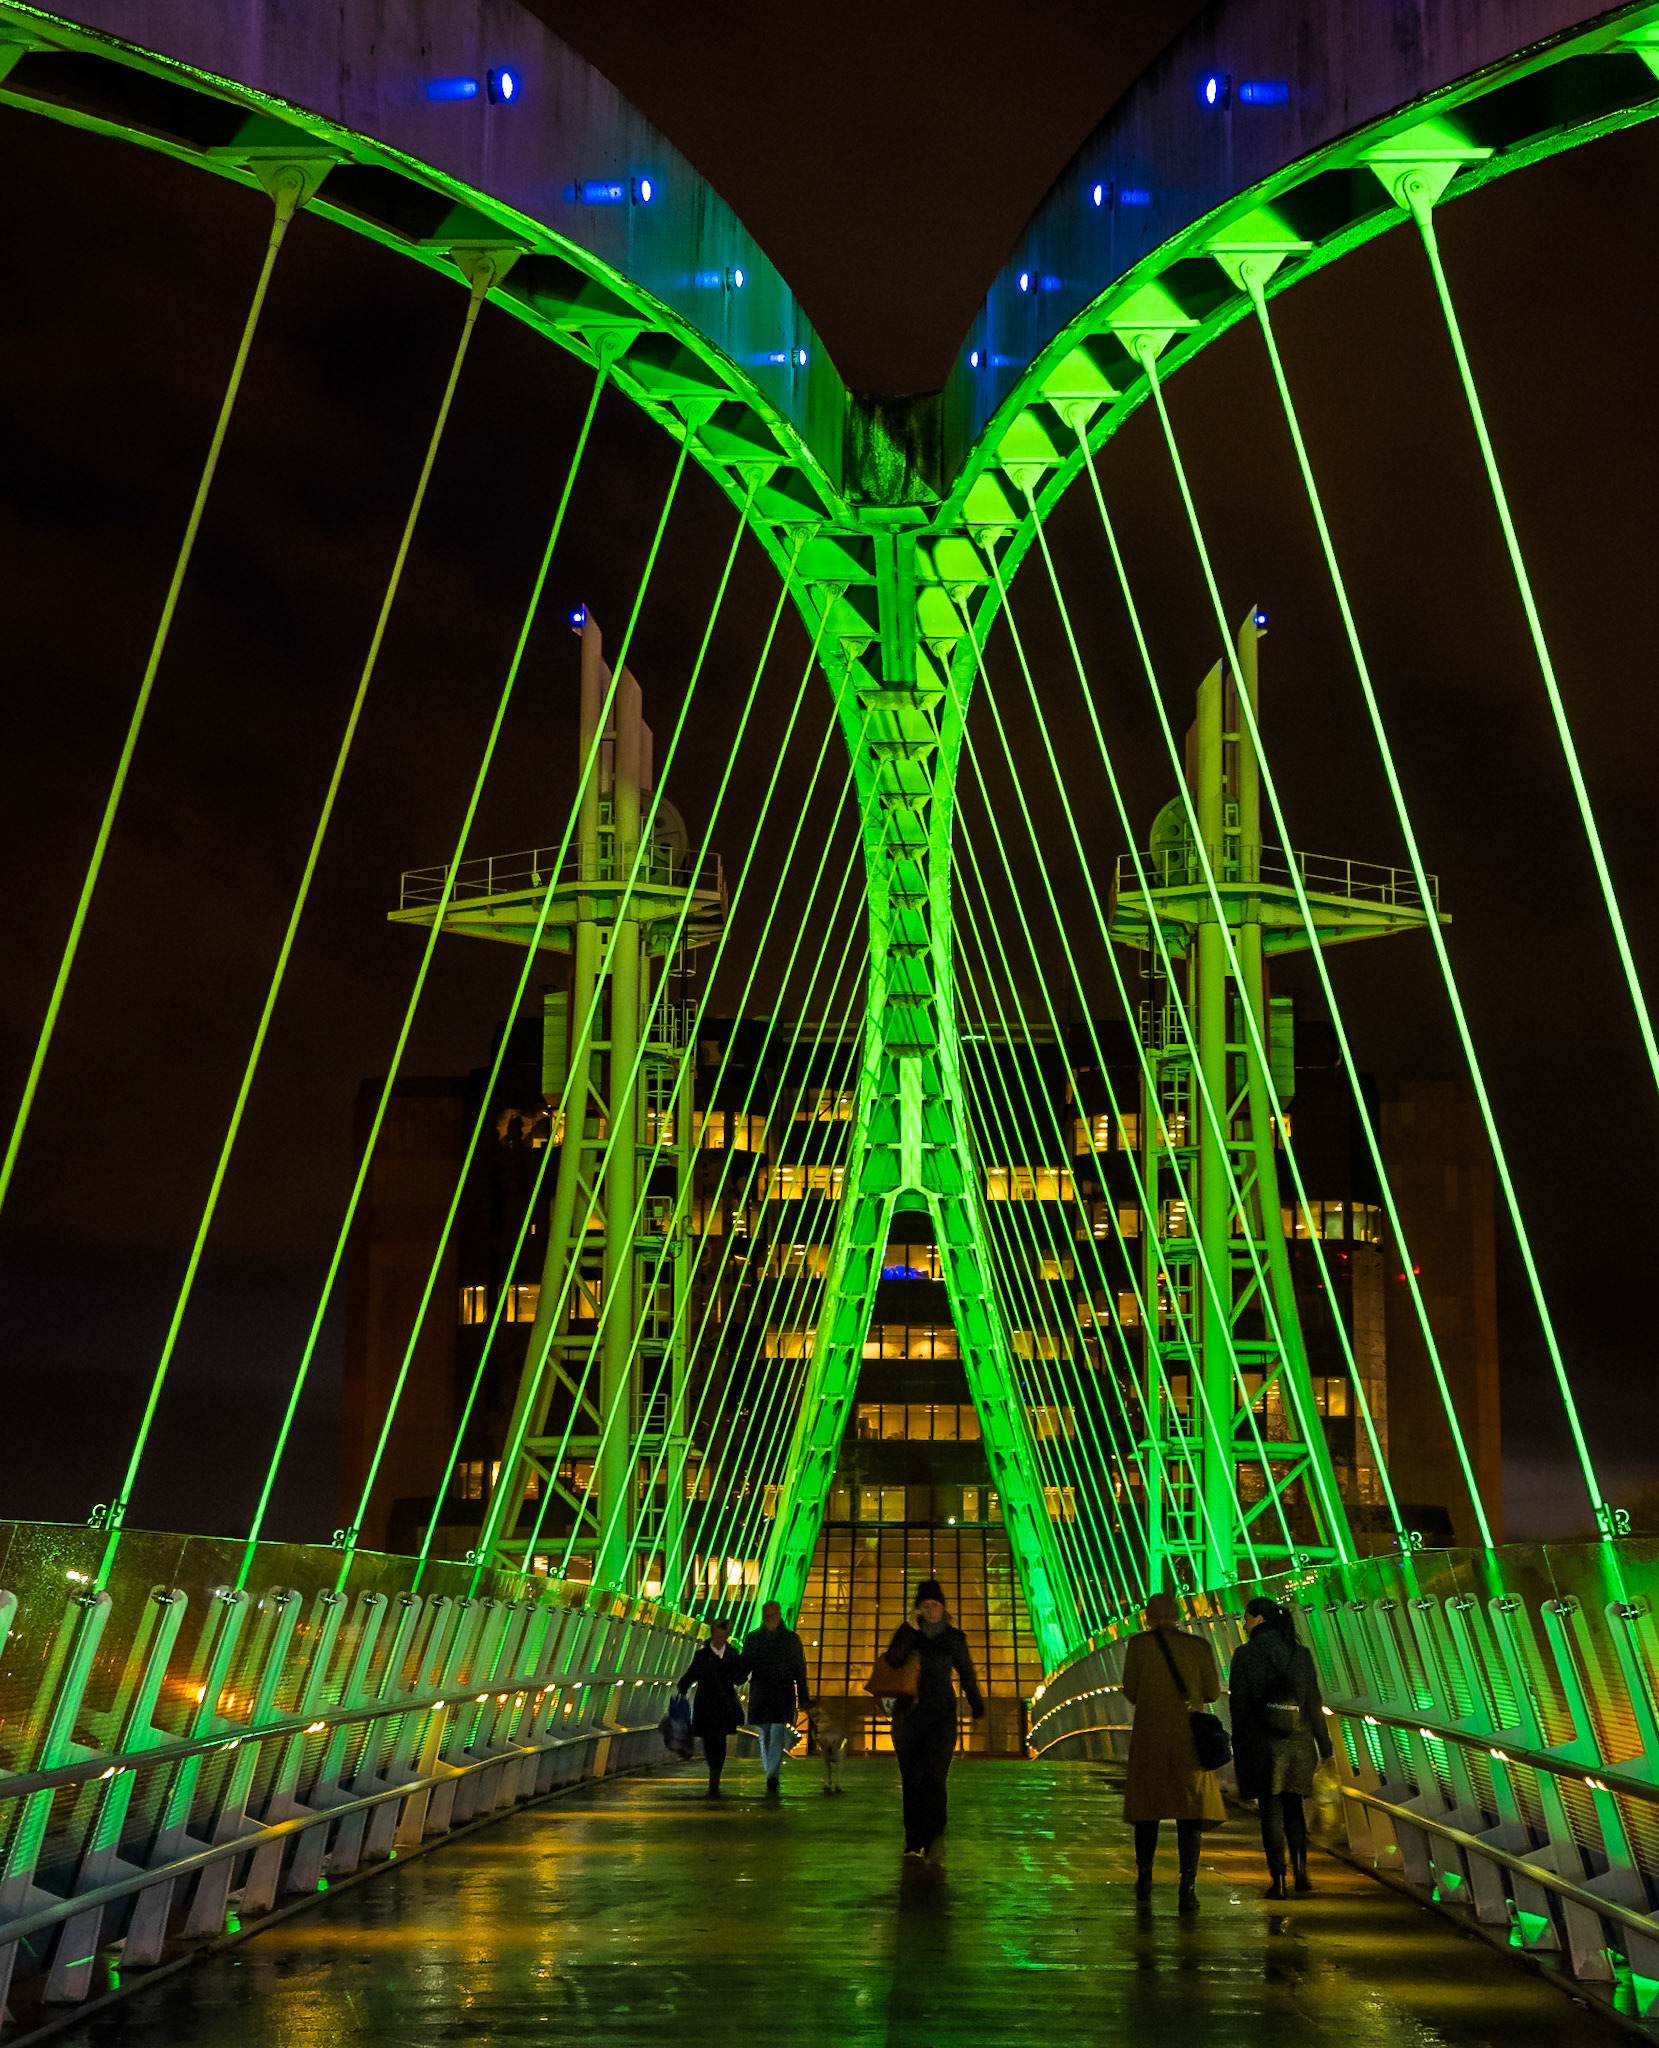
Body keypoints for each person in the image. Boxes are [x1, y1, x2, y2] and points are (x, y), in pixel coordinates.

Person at [1121, 1590, 1225, 1912]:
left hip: (1150, 1736)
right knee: (1190, 1812)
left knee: (1147, 1810)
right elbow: (1211, 1691)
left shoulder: (1138, 1646)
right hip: (1188, 1739)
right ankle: (1188, 1886)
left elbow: (1130, 1691)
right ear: (1179, 1616)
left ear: (1147, 1618)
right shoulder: (1198, 1647)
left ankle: (1145, 1877)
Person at [1229, 1595, 1333, 1897]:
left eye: (1246, 1618)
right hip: (1299, 1742)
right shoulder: (1300, 1654)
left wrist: (1240, 1745)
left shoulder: (1245, 1656)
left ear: (1259, 1619)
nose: (1244, 1624)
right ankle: (1302, 1875)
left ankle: (1279, 1881)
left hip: (1263, 1744)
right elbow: (1314, 1703)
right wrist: (1325, 1748)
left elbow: (1239, 1705)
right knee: (1294, 1809)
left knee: (1271, 1812)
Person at [884, 1577, 984, 1861]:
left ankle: (935, 1832)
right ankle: (913, 1839)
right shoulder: (908, 1634)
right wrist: (910, 1628)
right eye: (925, 1606)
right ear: (917, 1608)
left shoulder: (954, 1638)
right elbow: (892, 1659)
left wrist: (977, 1707)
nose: (931, 1611)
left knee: (936, 1778)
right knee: (912, 1780)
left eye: (936, 1605)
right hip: (908, 1718)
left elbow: (967, 1674)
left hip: (941, 1717)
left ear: (943, 1607)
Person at [743, 1599, 811, 1797]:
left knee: (775, 1732)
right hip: (773, 1692)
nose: (769, 1619)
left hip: (773, 1692)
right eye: (767, 1615)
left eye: (772, 1615)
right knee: (766, 1734)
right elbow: (800, 1669)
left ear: (779, 1615)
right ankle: (771, 1771)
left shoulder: (756, 1638)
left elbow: (799, 1669)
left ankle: (772, 1773)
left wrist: (804, 1696)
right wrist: (803, 1695)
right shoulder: (789, 1639)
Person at [675, 1615, 749, 1798]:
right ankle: (714, 1775)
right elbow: (691, 1674)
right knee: (711, 1741)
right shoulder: (703, 1656)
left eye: (722, 1636)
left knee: (719, 1741)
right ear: (713, 1634)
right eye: (717, 1635)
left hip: (723, 1705)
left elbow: (740, 1678)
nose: (719, 1640)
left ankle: (714, 1777)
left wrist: (737, 1674)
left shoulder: (731, 1655)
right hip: (707, 1704)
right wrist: (683, 1686)